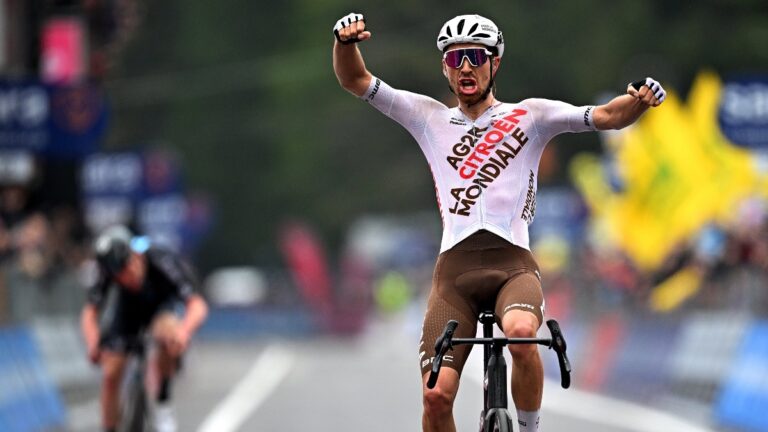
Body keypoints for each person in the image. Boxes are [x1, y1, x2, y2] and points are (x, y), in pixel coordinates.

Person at [332, 12, 666, 432]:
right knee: (435, 397)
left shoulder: (531, 116)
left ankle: (528, 428)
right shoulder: (427, 117)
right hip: (454, 276)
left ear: (495, 63)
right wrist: (345, 45)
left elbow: (608, 116)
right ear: (445, 69)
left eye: (475, 56)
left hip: (513, 267)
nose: (466, 67)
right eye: (455, 59)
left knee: (523, 337)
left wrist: (637, 101)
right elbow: (355, 80)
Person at [80, 225, 208, 432]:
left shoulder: (161, 259)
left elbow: (197, 305)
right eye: (118, 277)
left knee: (168, 334)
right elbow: (90, 312)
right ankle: (109, 427)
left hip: (161, 308)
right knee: (111, 372)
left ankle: (162, 402)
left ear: (136, 255)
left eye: (128, 269)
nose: (126, 279)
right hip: (128, 313)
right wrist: (93, 342)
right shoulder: (106, 271)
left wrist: (184, 332)